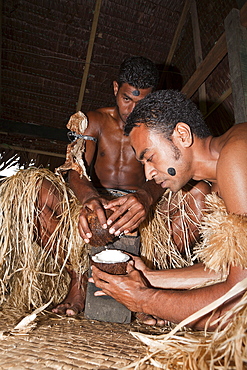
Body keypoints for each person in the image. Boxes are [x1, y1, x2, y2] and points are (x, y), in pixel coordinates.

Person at [90, 89, 247, 330]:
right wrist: (149, 279)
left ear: (182, 135)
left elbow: (238, 302)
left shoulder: (237, 154)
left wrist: (144, 300)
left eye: (150, 157)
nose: (148, 174)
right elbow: (227, 270)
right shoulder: (217, 186)